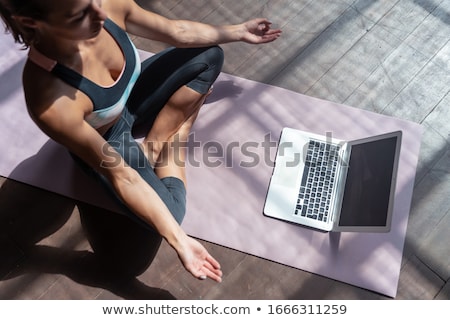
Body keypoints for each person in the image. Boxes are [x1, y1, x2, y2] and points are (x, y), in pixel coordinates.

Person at [0, 0, 281, 283]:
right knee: (171, 215)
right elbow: (123, 177)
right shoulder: (49, 100)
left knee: (209, 54)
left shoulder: (105, 6)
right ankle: (177, 137)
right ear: (32, 23)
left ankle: (157, 141)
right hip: (106, 140)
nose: (100, 13)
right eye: (80, 15)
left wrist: (239, 30)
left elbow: (177, 31)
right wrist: (179, 240)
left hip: (131, 100)